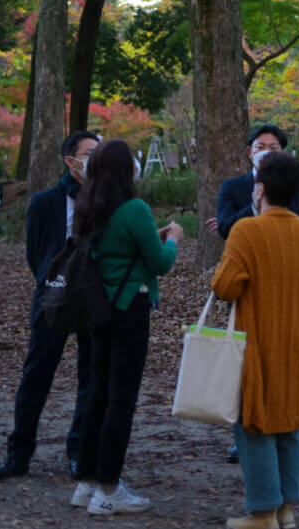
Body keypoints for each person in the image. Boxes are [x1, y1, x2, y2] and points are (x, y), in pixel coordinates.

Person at [69, 139, 183, 515]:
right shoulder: (135, 208)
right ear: (127, 169)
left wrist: (155, 234)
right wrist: (174, 241)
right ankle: (108, 489)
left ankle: (86, 483)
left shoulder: (89, 206)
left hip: (97, 308)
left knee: (97, 394)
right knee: (122, 399)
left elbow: (121, 247)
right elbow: (160, 261)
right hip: (130, 308)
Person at [211, 152, 299, 529]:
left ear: (259, 189)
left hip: (256, 342)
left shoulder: (245, 231)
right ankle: (286, 510)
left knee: (254, 422)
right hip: (295, 342)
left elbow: (226, 286)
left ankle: (262, 513)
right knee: (290, 423)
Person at [0, 131, 100, 481]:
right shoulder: (45, 201)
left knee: (92, 377)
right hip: (53, 298)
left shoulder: (107, 200)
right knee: (36, 375)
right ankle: (18, 453)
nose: (95, 159)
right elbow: (35, 255)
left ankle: (80, 452)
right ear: (71, 161)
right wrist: (54, 282)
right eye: (89, 153)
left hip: (95, 299)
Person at [208, 124, 299, 464]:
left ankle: (272, 431)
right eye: (260, 145)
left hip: (281, 291)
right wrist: (251, 209)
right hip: (247, 295)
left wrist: (245, 218)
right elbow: (224, 227)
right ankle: (248, 433)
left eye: (273, 146)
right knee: (243, 366)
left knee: (277, 367)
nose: (266, 150)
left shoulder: (292, 187)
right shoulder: (234, 186)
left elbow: (291, 218)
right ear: (249, 151)